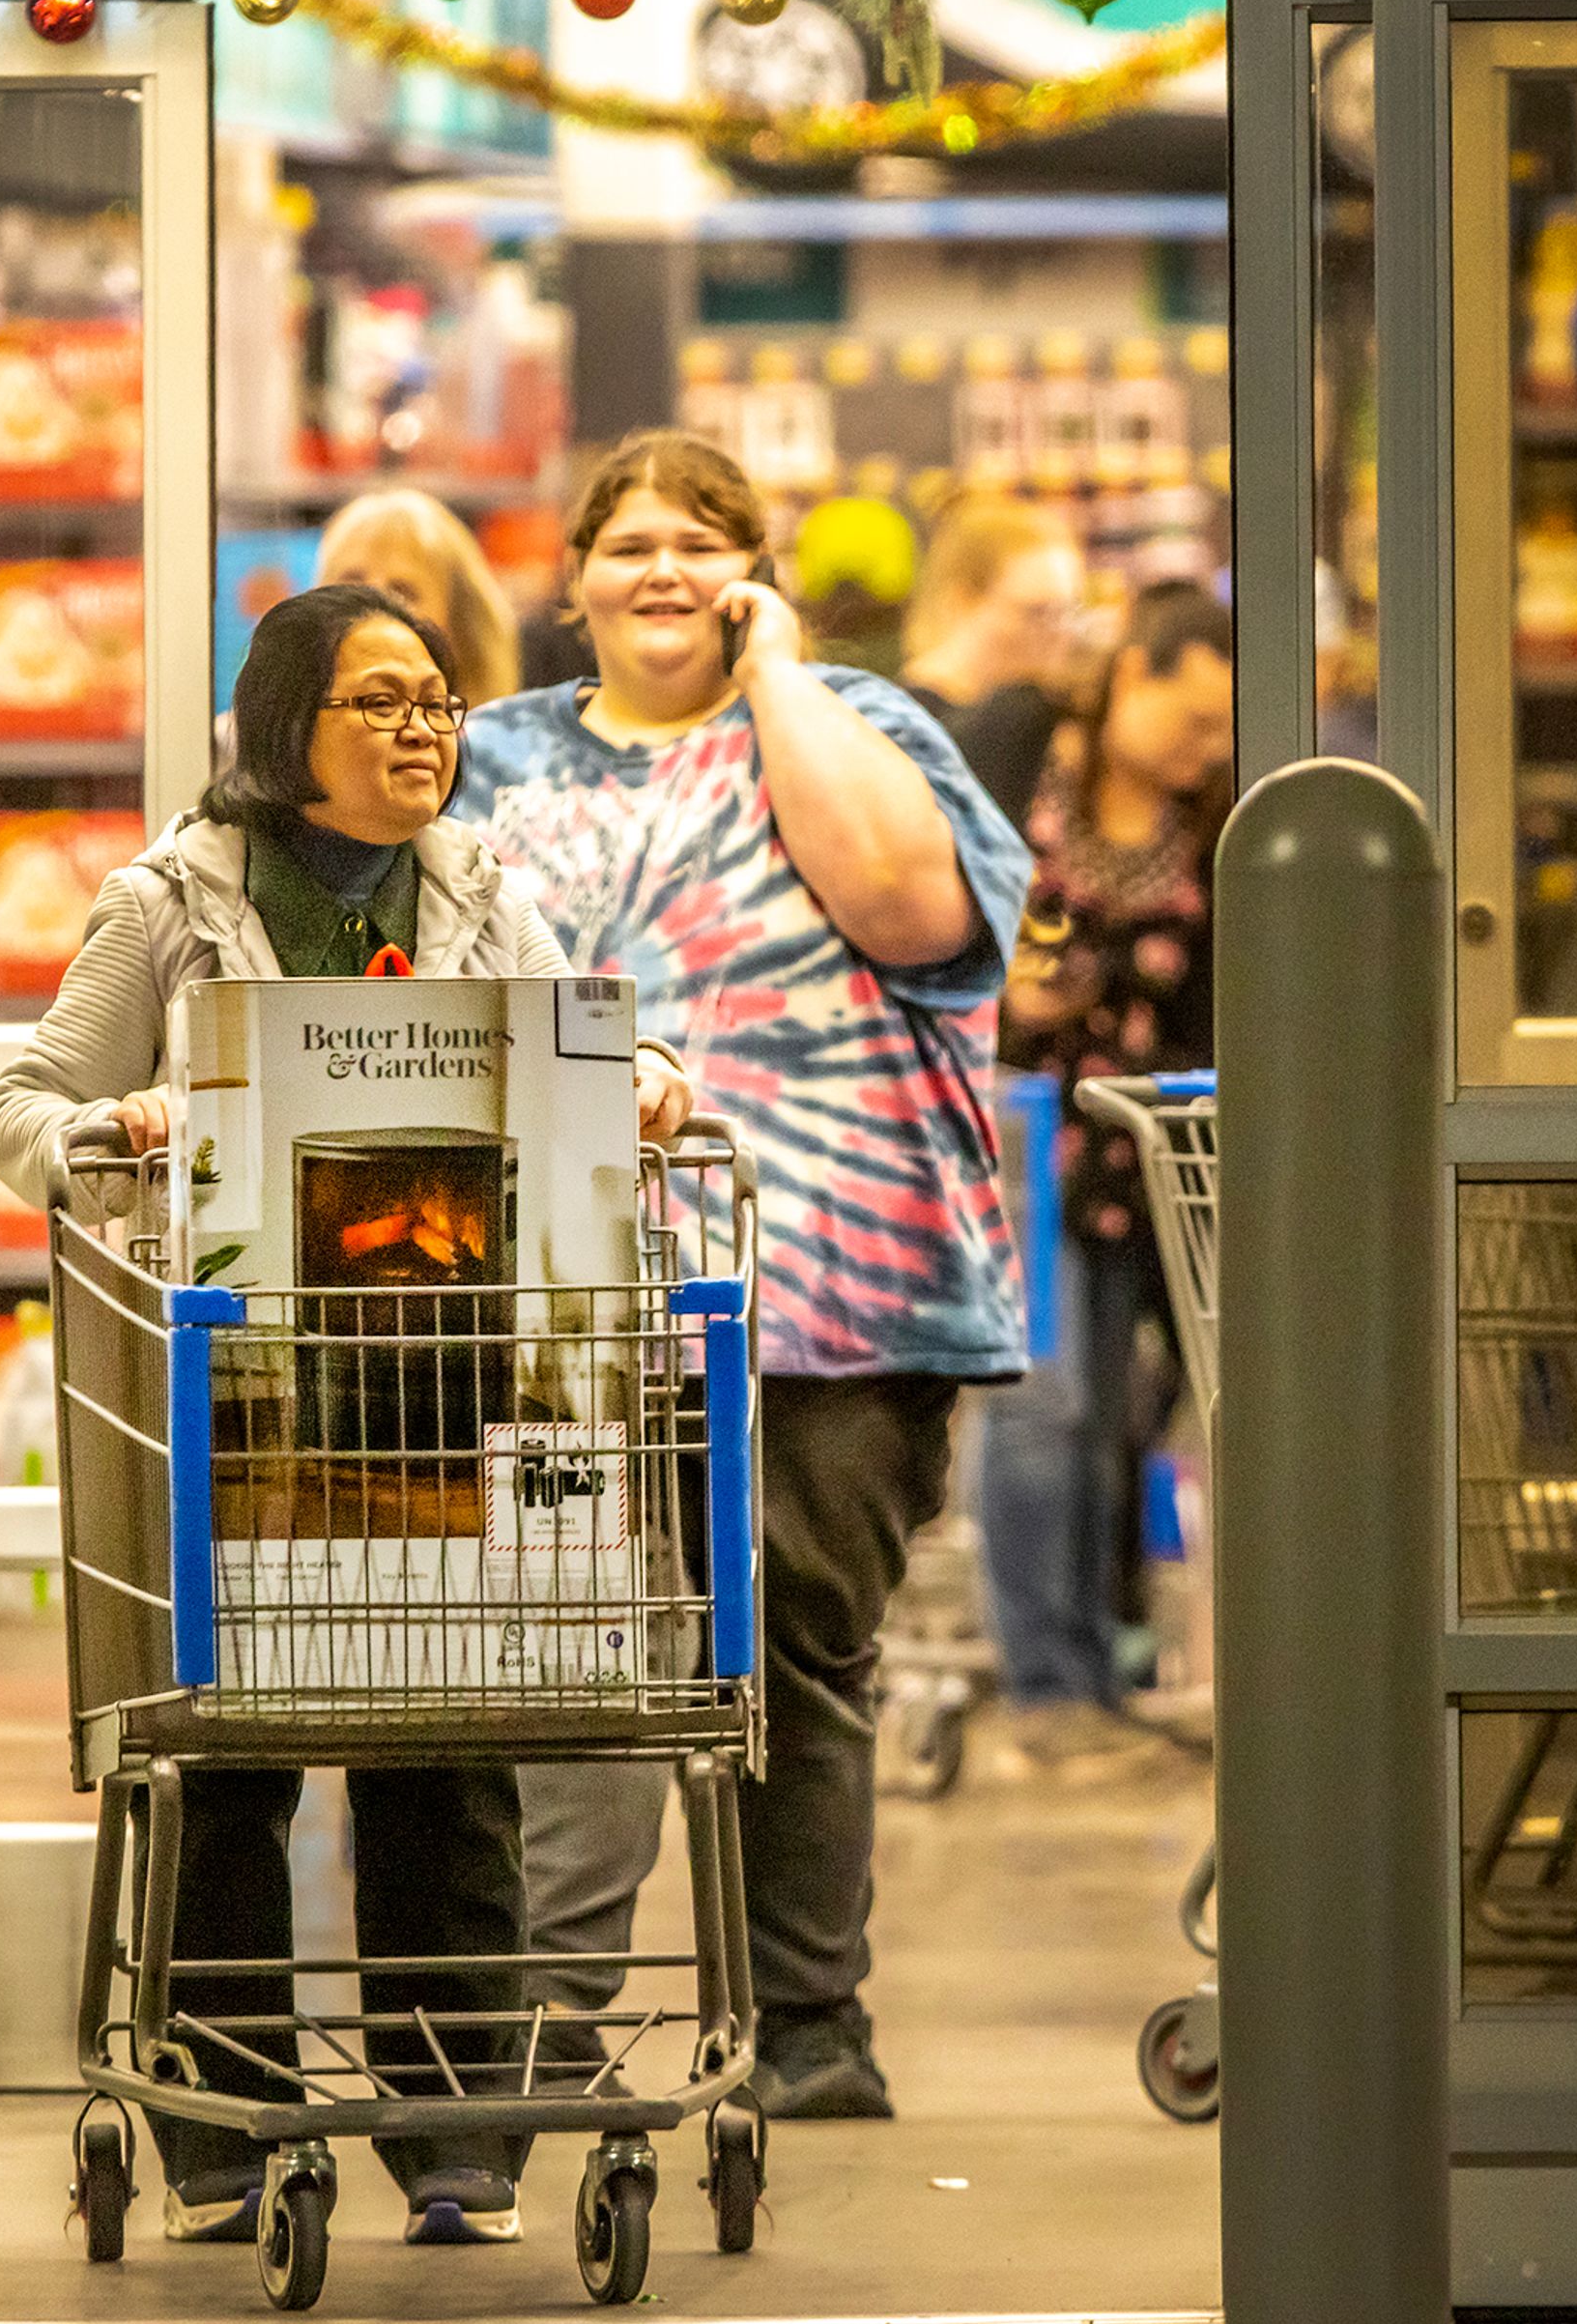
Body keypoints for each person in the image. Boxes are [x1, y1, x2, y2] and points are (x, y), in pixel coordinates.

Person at [0, 581, 692, 2250]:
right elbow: (20, 1109)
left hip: (450, 1392)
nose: (423, 727)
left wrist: (640, 1080)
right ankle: (230, 2137)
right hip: (232, 1405)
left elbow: (577, 1064)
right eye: (379, 699)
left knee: (450, 1754)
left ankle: (462, 2135)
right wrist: (127, 1128)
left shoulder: (485, 895)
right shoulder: (170, 904)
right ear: (283, 726)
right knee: (227, 1766)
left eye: (438, 697)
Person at [448, 431, 1032, 2123]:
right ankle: (547, 2021)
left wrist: (778, 674)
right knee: (571, 1648)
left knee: (804, 1646)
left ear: (753, 570)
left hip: (833, 1286)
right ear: (571, 581)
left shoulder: (864, 725)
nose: (662, 570)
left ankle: (812, 2025)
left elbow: (911, 908)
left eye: (700, 542)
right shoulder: (487, 762)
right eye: (627, 540)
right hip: (554, 1296)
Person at [982, 581, 1237, 1779]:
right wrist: (999, 1004)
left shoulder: (1215, 824)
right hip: (1025, 1141)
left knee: (1113, 1426)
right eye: (1189, 722)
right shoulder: (1017, 756)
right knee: (1045, 1407)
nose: (1204, 751)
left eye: (1218, 734)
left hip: (1150, 1159)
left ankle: (1097, 1670)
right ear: (1131, 673)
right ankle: (1044, 1686)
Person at [894, 494, 1091, 831]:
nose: (1059, 635)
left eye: (1067, 612)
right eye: (1037, 613)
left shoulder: (1050, 716)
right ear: (962, 601)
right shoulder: (904, 723)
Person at [316, 487, 525, 708]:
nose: (371, 605)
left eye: (401, 592)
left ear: (460, 628)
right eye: (351, 582)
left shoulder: (486, 740)